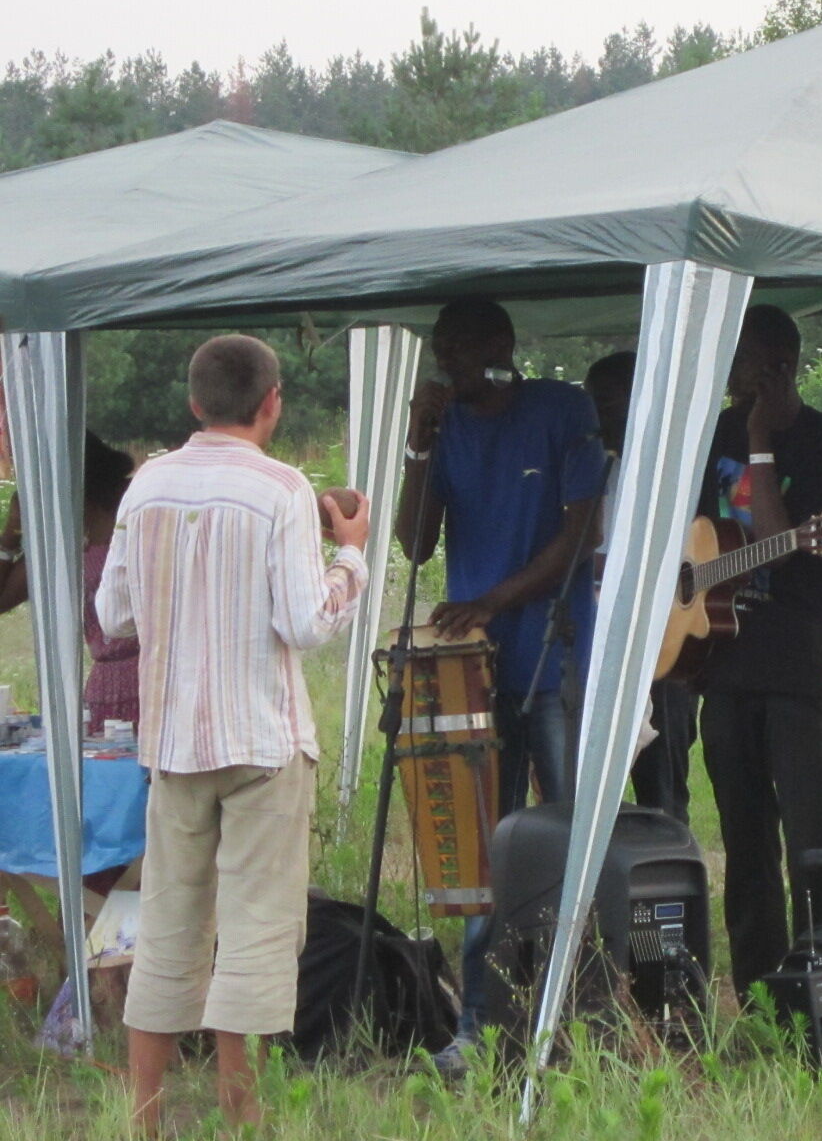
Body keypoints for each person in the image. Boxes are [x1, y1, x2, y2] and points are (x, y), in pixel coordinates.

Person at [96, 333, 370, 1136]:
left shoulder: (144, 486)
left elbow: (112, 614)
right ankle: (239, 1117)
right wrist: (349, 559)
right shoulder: (283, 488)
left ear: (193, 402)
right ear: (273, 402)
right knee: (255, 933)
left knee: (168, 925)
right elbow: (305, 620)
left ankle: (143, 1118)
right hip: (261, 742)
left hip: (174, 743)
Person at [394, 297, 605, 1064]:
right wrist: (418, 448)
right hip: (475, 676)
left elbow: (582, 530)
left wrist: (493, 599)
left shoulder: (560, 408)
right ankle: (480, 1026)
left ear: (500, 348)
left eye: (460, 347)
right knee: (484, 848)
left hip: (551, 658)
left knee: (567, 834)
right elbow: (414, 544)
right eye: (441, 349)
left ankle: (584, 1010)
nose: (447, 361)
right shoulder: (447, 428)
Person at [695, 304, 822, 998]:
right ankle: (761, 994)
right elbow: (698, 536)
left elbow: (778, 539)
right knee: (746, 842)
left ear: (778, 369)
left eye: (742, 367)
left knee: (813, 845)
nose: (731, 383)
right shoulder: (716, 436)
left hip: (799, 666)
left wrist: (762, 444)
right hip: (723, 664)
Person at [584, 350, 697, 826]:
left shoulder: (668, 474)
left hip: (662, 645)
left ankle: (671, 884)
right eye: (592, 404)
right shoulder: (600, 470)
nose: (597, 416)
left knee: (661, 793)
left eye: (606, 403)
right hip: (604, 642)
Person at [0, 432, 140, 731]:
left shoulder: (131, 506)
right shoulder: (65, 531)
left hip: (151, 678)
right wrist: (11, 535)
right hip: (105, 686)